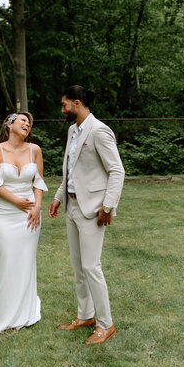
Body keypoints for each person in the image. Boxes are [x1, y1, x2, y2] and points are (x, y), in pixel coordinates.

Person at [48, 85, 125, 345]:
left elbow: (117, 171)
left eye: (64, 104)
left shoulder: (100, 130)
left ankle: (106, 324)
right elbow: (72, 170)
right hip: (71, 207)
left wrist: (107, 207)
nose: (63, 109)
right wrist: (59, 198)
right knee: (78, 266)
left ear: (77, 103)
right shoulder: (72, 131)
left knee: (92, 267)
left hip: (93, 210)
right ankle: (85, 316)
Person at [0, 111, 47, 333]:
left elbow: (38, 182)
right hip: (3, 214)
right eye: (23, 121)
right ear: (9, 125)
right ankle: (4, 309)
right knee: (7, 259)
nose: (27, 124)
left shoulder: (35, 150)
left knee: (25, 261)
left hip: (29, 215)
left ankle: (21, 309)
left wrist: (37, 206)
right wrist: (17, 201)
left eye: (29, 122)